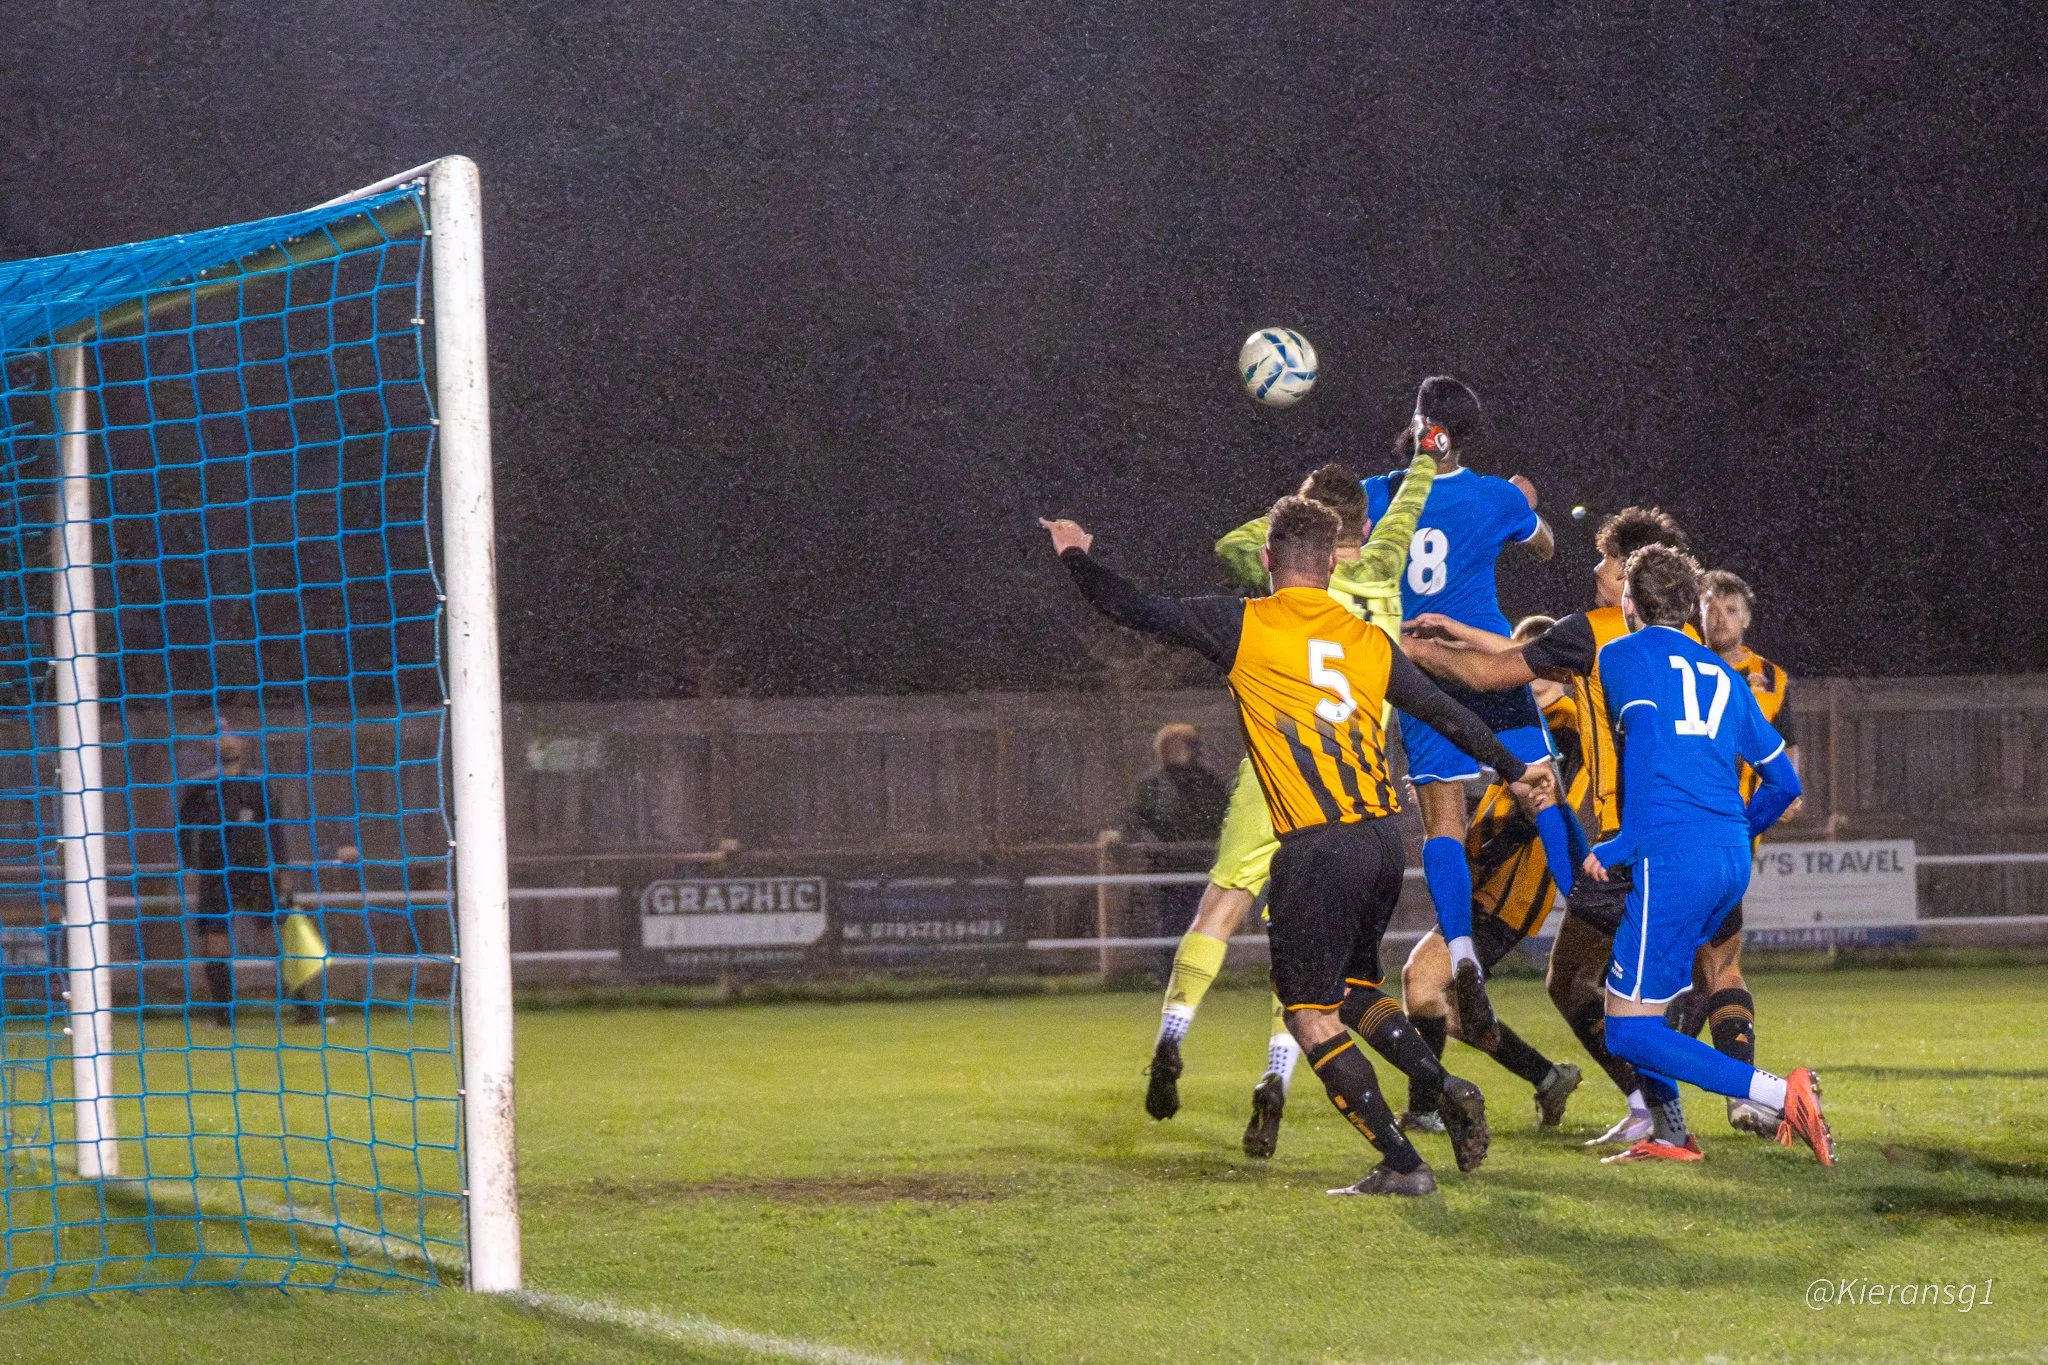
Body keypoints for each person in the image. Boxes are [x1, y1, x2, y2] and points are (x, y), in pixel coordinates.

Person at [1043, 496, 1553, 1195]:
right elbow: (1446, 714)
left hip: (1317, 846)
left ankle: (1403, 1164)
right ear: (1331, 564)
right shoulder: (1366, 638)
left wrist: (1075, 552)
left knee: (1308, 1014)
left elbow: (1129, 606)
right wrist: (1515, 768)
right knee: (1355, 991)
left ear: (1268, 559)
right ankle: (1442, 1082)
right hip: (1381, 840)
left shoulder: (1246, 623)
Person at [1145, 451, 1434, 1161]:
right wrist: (1426, 457)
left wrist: (1293, 507)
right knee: (1309, 949)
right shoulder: (1384, 568)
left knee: (1220, 907)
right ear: (1360, 530)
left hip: (1279, 768)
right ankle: (1277, 1072)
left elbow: (1235, 546)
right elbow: (1405, 512)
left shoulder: (1286, 575)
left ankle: (1172, 1033)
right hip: (1353, 785)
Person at [1401, 506, 1691, 1146]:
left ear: (1631, 573)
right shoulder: (1687, 642)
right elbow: (1521, 655)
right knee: (1584, 983)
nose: (1597, 568)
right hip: (1696, 832)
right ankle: (1654, 1107)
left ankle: (1755, 1097)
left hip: (1629, 840)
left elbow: (1494, 673)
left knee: (1626, 998)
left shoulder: (1598, 633)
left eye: (1608, 559)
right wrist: (1459, 630)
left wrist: (1401, 648)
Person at [1580, 544, 1831, 1166]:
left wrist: (1626, 841)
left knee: (1627, 1030)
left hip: (1672, 855)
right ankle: (1671, 1136)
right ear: (1692, 607)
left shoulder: (1621, 654)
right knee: (1648, 1005)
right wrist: (1739, 831)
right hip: (1727, 859)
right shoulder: (1723, 674)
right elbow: (1785, 784)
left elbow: (1644, 742)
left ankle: (1781, 1094)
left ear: (1630, 603)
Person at [1363, 377, 1571, 1046]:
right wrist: (1524, 504)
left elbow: (1341, 545)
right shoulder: (1493, 497)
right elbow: (1546, 545)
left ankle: (1462, 955)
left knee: (1443, 821)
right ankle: (1590, 911)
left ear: (1422, 425)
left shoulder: (1379, 495)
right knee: (1540, 788)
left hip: (1419, 668)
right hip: (1488, 658)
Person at [1398, 616, 1587, 1133]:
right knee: (1450, 1006)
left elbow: (1537, 806)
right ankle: (1547, 1076)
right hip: (1488, 887)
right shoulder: (1521, 720)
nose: (1517, 671)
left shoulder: (1565, 723)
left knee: (1422, 983)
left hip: (1512, 892)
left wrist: (1462, 820)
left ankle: (1424, 1109)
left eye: (1528, 661)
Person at [1662, 570, 1799, 1136]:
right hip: (1708, 841)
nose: (1719, 617)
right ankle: (1734, 1094)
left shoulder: (1769, 680)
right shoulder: (1684, 663)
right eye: (1710, 606)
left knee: (1699, 969)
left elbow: (1789, 783)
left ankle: (1664, 1100)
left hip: (1702, 841)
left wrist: (1741, 824)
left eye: (1731, 609)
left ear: (1748, 618)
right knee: (1708, 969)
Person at [177, 727, 314, 1026]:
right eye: (218, 735)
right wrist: (189, 866)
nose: (225, 740)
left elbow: (274, 828)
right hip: (215, 872)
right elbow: (184, 830)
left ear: (243, 742)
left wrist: (282, 868)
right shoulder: (200, 786)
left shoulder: (258, 784)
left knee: (275, 935)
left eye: (230, 734)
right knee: (215, 939)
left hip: (254, 870)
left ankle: (305, 1007)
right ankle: (224, 1015)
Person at [1122, 724, 1228, 937]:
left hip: (1201, 865)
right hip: (1164, 869)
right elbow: (1134, 820)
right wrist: (1151, 842)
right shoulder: (1151, 785)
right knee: (1169, 925)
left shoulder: (1208, 782)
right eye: (1169, 746)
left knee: (1199, 922)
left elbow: (1223, 817)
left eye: (1181, 745)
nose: (1175, 751)